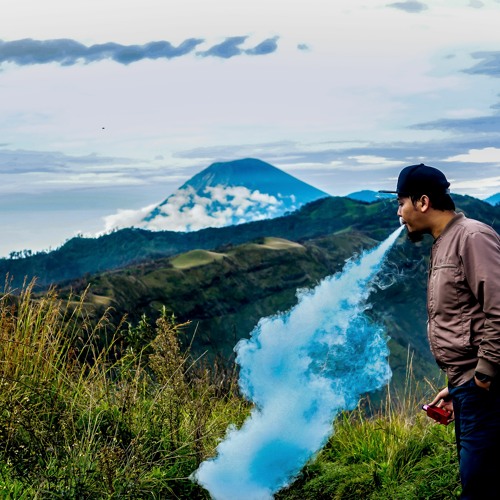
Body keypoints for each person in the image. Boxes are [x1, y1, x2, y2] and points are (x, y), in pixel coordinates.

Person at [380, 163, 500, 499]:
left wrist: (484, 375)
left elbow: (498, 308)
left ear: (422, 202)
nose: (399, 214)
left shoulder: (472, 237)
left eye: (401, 204)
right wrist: (458, 385)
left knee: (480, 487)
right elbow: (469, 319)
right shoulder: (445, 241)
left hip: (484, 391)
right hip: (467, 387)